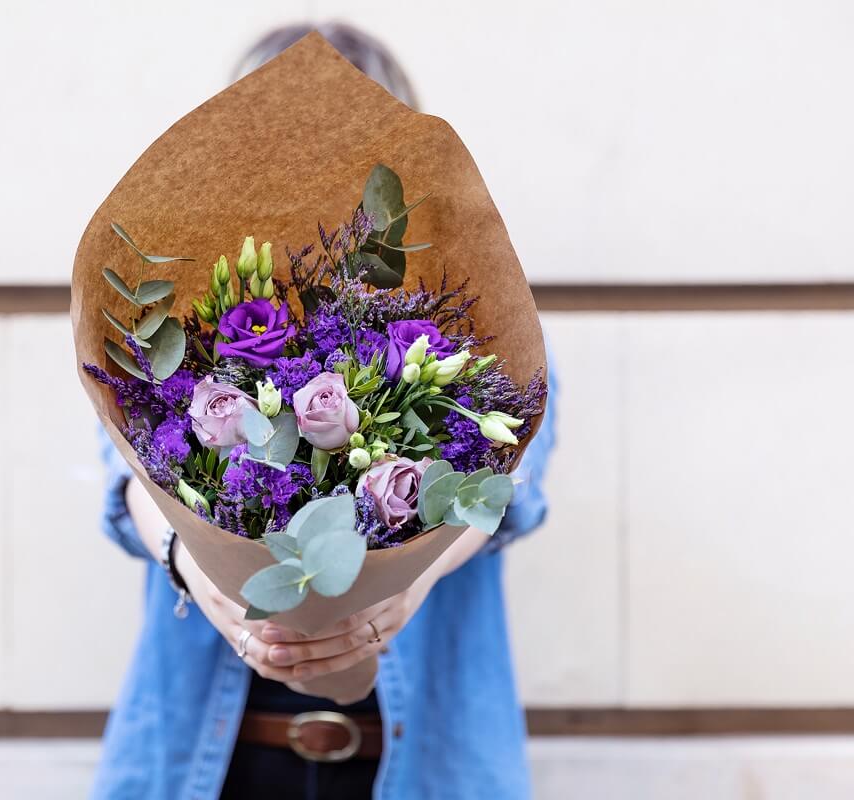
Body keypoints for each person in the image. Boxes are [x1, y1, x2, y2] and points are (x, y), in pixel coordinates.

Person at [90, 23, 558, 800]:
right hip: (218, 760)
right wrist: (197, 572)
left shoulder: (481, 329)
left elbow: (510, 494)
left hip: (419, 764)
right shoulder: (180, 314)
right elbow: (130, 474)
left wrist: (406, 583)